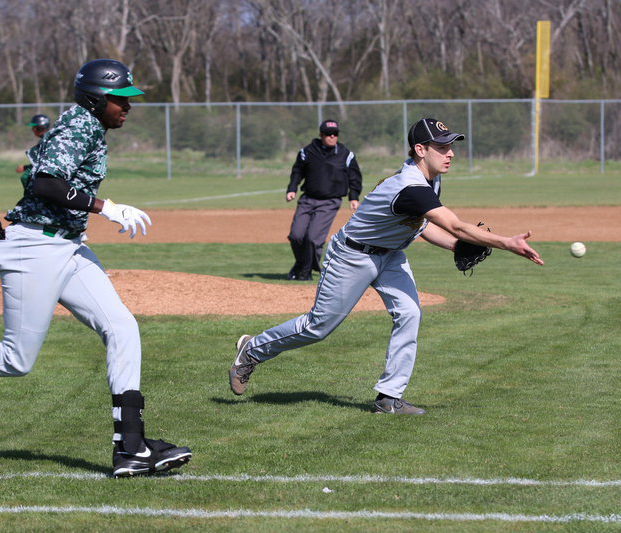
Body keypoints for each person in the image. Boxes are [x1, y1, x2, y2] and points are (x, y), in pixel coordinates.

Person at [0, 59, 191, 477]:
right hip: (34, 247)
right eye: (118, 99)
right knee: (14, 361)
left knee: (122, 327)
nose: (127, 106)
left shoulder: (89, 125)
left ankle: (131, 447)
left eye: (128, 99)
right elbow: (46, 183)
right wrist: (106, 206)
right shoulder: (79, 126)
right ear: (94, 98)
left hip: (66, 247)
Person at [230, 117, 543, 414]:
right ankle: (253, 350)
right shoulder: (409, 186)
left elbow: (420, 225)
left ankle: (389, 397)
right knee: (318, 326)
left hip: (390, 255)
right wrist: (505, 242)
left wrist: (454, 247)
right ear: (420, 150)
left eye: (451, 146)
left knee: (409, 313)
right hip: (352, 256)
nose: (450, 153)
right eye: (442, 147)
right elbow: (455, 226)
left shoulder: (428, 181)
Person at [285, 119, 363, 281]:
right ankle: (301, 264)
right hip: (307, 200)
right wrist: (292, 188)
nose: (332, 136)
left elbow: (354, 177)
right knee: (295, 235)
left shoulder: (345, 154)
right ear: (321, 135)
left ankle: (304, 272)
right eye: (328, 134)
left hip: (330, 202)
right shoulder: (307, 151)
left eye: (335, 134)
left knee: (313, 238)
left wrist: (353, 197)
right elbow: (297, 171)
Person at [15, 114, 51, 188]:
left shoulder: (46, 140)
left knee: (26, 177)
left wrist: (25, 167)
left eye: (36, 127)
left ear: (41, 127)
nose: (33, 129)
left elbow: (42, 163)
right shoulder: (48, 137)